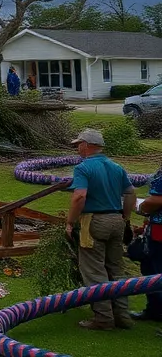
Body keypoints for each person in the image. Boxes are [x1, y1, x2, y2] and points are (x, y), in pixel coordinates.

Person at [65, 128, 137, 330]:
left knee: (95, 271)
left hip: (94, 220)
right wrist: (126, 218)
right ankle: (122, 316)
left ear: (87, 145)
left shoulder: (83, 168)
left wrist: (70, 222)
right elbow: (130, 194)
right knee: (116, 269)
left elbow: (79, 196)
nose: (77, 148)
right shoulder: (116, 166)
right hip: (117, 220)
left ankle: (103, 318)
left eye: (79, 144)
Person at [132, 163, 162, 321]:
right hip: (155, 226)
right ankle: (154, 310)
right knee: (150, 269)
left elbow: (157, 200)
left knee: (156, 270)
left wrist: (142, 207)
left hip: (160, 231)